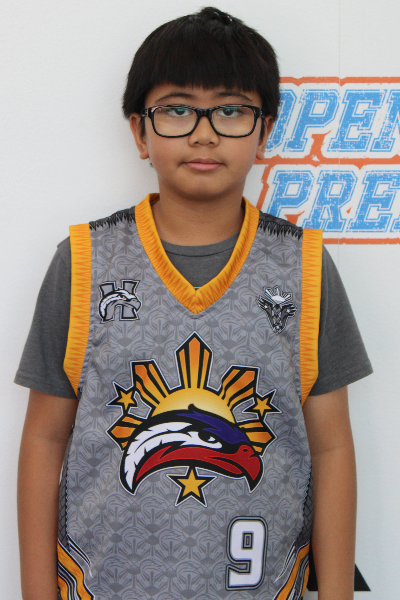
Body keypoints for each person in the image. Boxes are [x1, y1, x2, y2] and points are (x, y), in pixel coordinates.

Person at [15, 7, 372, 600]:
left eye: (230, 110)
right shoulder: (83, 262)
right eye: (178, 109)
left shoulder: (304, 265)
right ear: (140, 131)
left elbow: (332, 447)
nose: (204, 133)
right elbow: (43, 440)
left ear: (263, 131)